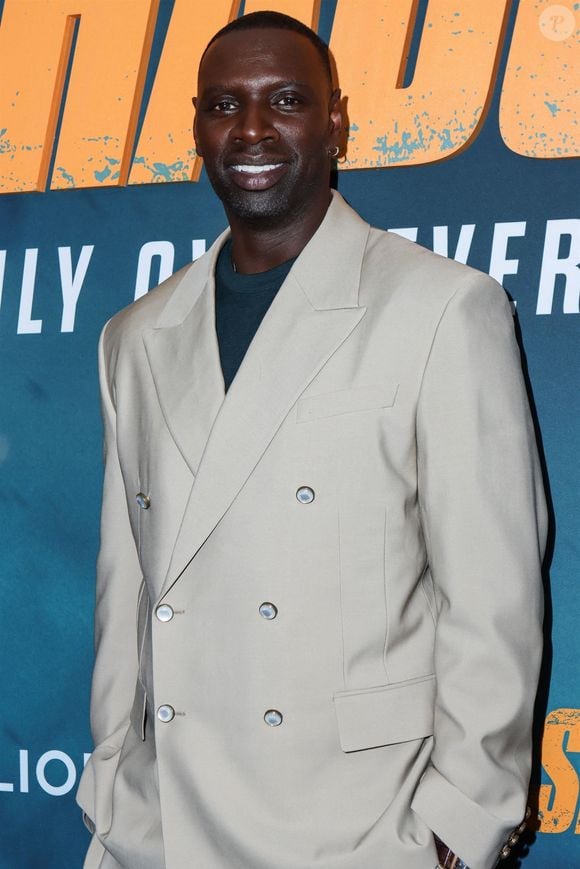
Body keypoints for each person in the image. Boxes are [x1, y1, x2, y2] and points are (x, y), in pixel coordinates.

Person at [77, 11, 546, 869]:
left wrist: (459, 823)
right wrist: (111, 783)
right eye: (225, 105)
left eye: (286, 100)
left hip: (360, 828)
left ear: (336, 121)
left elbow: (494, 595)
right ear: (196, 127)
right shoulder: (134, 337)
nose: (251, 129)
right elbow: (127, 590)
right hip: (165, 827)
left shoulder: (442, 308)